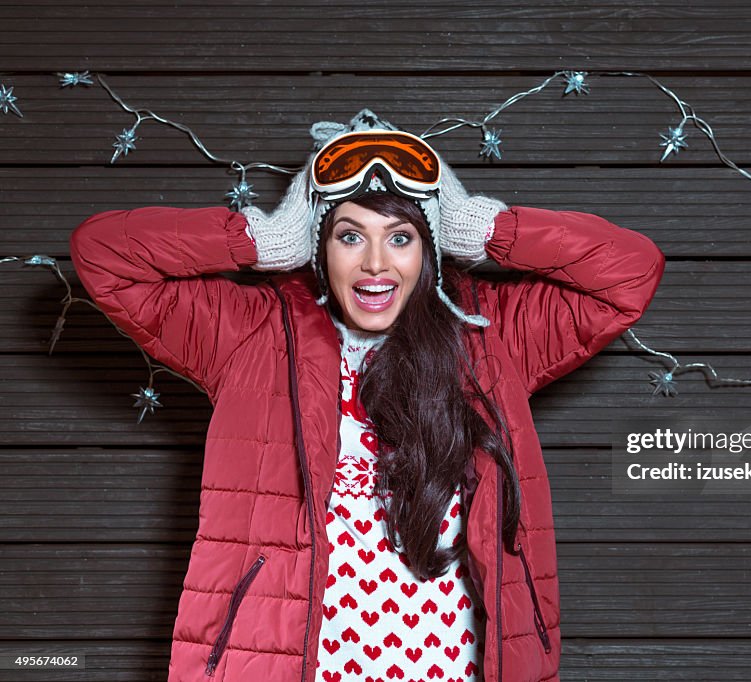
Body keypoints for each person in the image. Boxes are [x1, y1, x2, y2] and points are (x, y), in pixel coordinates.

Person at [69, 109, 665, 682]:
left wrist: (482, 227)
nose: (375, 264)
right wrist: (266, 238)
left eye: (401, 237)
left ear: (429, 247)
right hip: (282, 664)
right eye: (350, 236)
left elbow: (629, 273)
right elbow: (104, 257)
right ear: (317, 245)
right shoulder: (252, 332)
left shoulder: (491, 333)